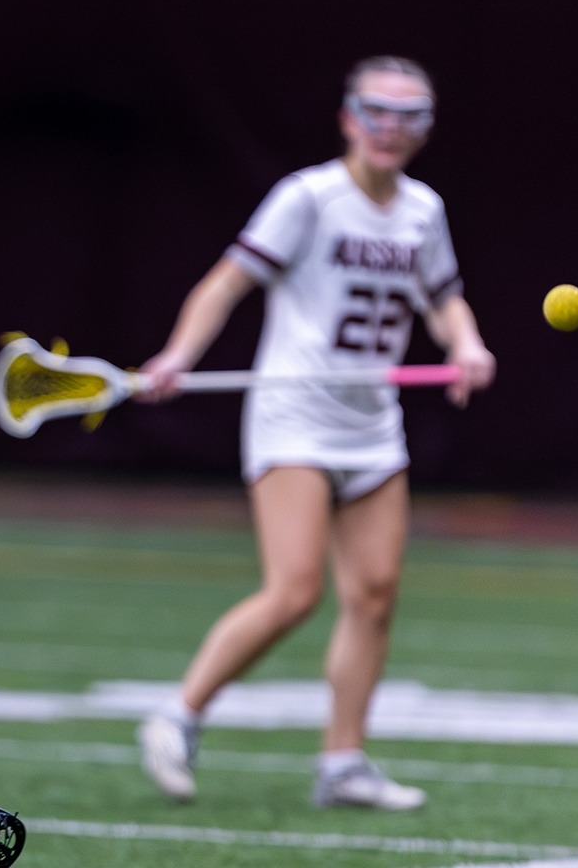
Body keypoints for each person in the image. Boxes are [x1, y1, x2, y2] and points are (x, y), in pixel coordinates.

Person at [133, 56, 496, 810]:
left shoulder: (423, 211)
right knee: (295, 591)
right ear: (347, 118)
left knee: (373, 594)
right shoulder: (307, 198)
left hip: (371, 424)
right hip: (293, 417)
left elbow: (444, 300)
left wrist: (465, 345)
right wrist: (177, 357)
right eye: (376, 110)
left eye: (411, 115)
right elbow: (226, 282)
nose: (391, 128)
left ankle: (343, 762)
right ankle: (179, 715)